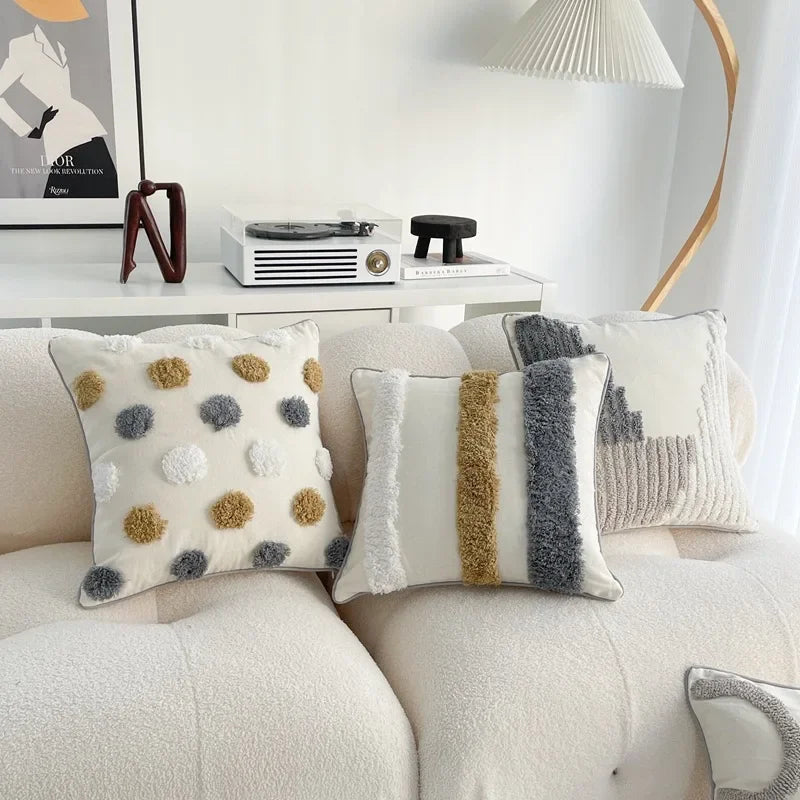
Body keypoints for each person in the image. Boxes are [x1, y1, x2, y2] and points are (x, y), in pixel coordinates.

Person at [0, 0, 118, 198]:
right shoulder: (22, 45)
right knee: (63, 198)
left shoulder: (62, 45)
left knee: (102, 191)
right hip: (62, 139)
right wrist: (30, 130)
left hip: (88, 129)